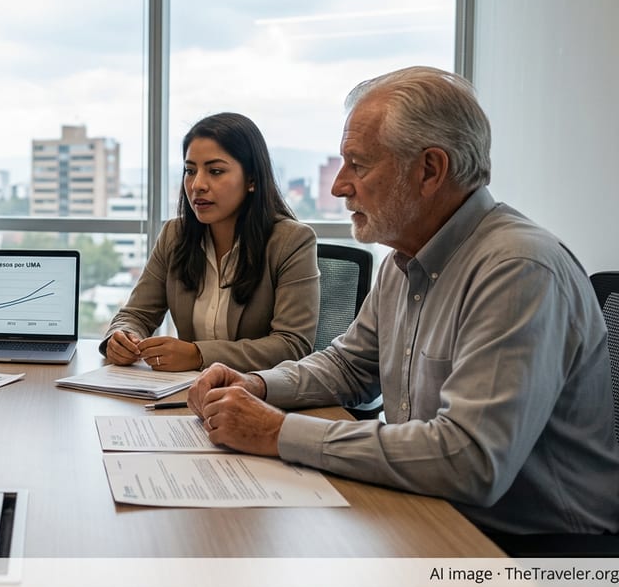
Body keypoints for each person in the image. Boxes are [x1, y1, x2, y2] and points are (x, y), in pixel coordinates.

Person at [187, 66, 619, 537]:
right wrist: (258, 385)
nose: (339, 186)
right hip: (433, 515)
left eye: (359, 164)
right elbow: (348, 367)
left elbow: (469, 459)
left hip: (532, 548)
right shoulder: (406, 259)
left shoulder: (517, 268)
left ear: (430, 170)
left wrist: (276, 432)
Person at [101, 112, 319, 372]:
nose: (197, 185)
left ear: (251, 179)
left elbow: (291, 345)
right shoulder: (174, 235)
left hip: (259, 399)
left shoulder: (291, 241)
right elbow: (135, 314)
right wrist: (122, 337)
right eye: (190, 171)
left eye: (215, 171)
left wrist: (198, 355)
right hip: (184, 394)